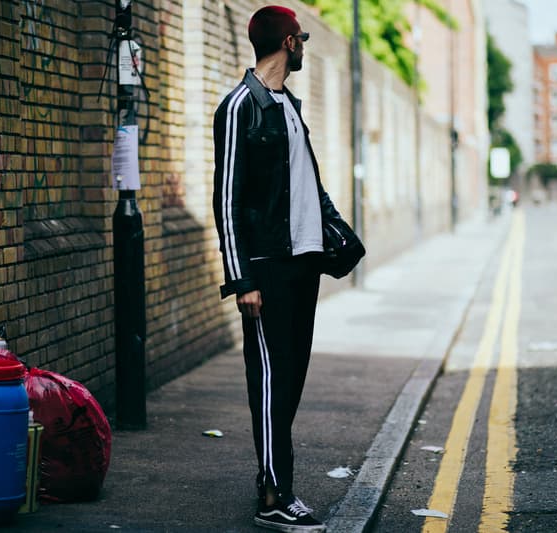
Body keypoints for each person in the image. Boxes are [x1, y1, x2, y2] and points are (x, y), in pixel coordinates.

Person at [212, 5, 343, 532]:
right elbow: (226, 199)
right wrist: (242, 278)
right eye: (302, 38)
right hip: (265, 269)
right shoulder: (240, 105)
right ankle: (274, 495)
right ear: (290, 42)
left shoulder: (287, 104)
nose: (305, 45)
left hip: (302, 263)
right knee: (268, 380)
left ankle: (274, 482)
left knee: (287, 381)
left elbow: (306, 184)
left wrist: (333, 231)